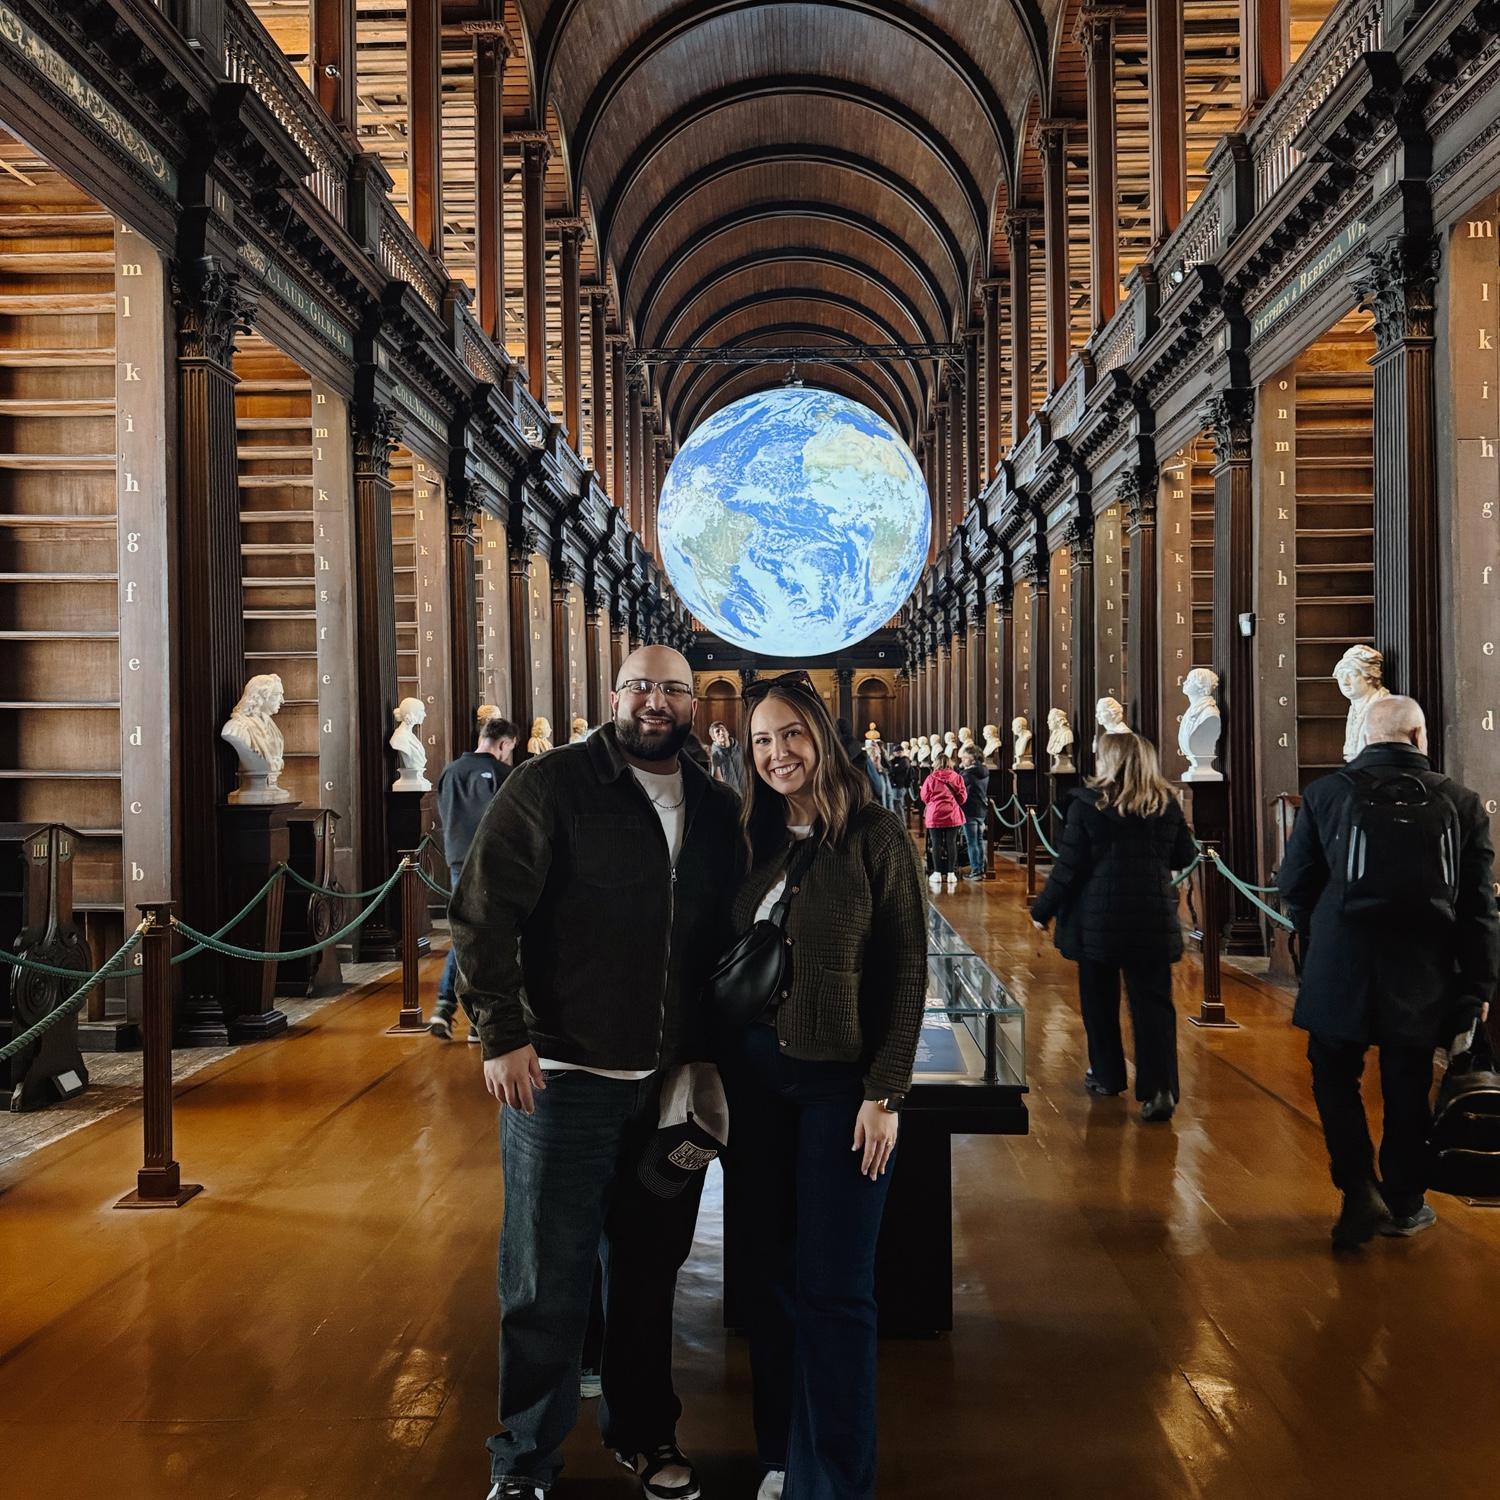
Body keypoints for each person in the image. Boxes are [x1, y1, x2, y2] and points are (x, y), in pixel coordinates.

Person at [449, 645, 741, 1500]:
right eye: (640, 686)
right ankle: (524, 1459)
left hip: (668, 1086)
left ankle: (645, 1436)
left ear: (695, 705)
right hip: (563, 1077)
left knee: (650, 1274)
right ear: (614, 694)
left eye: (673, 690)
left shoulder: (719, 809)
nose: (656, 702)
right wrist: (500, 1034)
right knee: (545, 1274)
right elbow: (482, 908)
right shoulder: (553, 785)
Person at [719, 671, 926, 1500]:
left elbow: (907, 967)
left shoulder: (873, 834)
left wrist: (887, 1092)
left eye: (792, 735)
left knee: (835, 1287)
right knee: (767, 1279)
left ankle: (832, 1479)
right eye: (762, 741)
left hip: (841, 1086)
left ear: (824, 738)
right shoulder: (747, 835)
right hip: (753, 1083)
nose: (777, 754)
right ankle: (780, 1454)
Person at [1277, 695, 1499, 1251]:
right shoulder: (1462, 802)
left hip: (1340, 961)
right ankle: (1404, 1200)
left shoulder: (1326, 794)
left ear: (1363, 736)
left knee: (1333, 1078)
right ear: (1420, 737)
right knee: (1408, 1084)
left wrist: (1322, 930)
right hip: (1424, 969)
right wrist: (1478, 987)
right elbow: (1479, 910)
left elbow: (1293, 884)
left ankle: (1357, 1188)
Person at [1029, 732, 1197, 1122]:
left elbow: (1068, 869)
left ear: (1109, 761)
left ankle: (1107, 1074)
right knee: (1154, 1005)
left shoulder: (1088, 806)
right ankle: (1159, 1089)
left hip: (1098, 921)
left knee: (1099, 1002)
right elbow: (1183, 855)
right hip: (1152, 918)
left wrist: (1043, 909)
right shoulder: (1165, 804)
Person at [429, 716, 518, 1041]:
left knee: (465, 932)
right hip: (491, 863)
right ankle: (473, 1017)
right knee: (488, 936)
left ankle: (448, 1007)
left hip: (455, 859)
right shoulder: (501, 773)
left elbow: (444, 813)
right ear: (504, 744)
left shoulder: (450, 770)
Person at [920, 748, 967, 893]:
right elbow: (963, 797)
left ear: (936, 764)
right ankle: (951, 873)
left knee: (936, 843)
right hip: (952, 813)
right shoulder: (957, 777)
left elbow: (924, 797)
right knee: (951, 843)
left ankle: (938, 873)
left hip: (935, 814)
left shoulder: (931, 778)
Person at [958, 745, 989, 881]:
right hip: (981, 809)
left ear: (972, 758)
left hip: (969, 809)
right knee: (979, 840)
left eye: (965, 757)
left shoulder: (968, 774)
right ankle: (981, 870)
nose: (963, 760)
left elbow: (958, 786)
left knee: (972, 842)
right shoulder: (984, 771)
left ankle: (976, 871)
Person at [707, 719, 746, 796]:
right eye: (717, 731)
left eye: (723, 729)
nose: (721, 732)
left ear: (727, 732)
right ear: (713, 738)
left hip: (747, 795)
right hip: (731, 798)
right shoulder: (713, 756)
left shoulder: (740, 749)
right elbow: (715, 782)